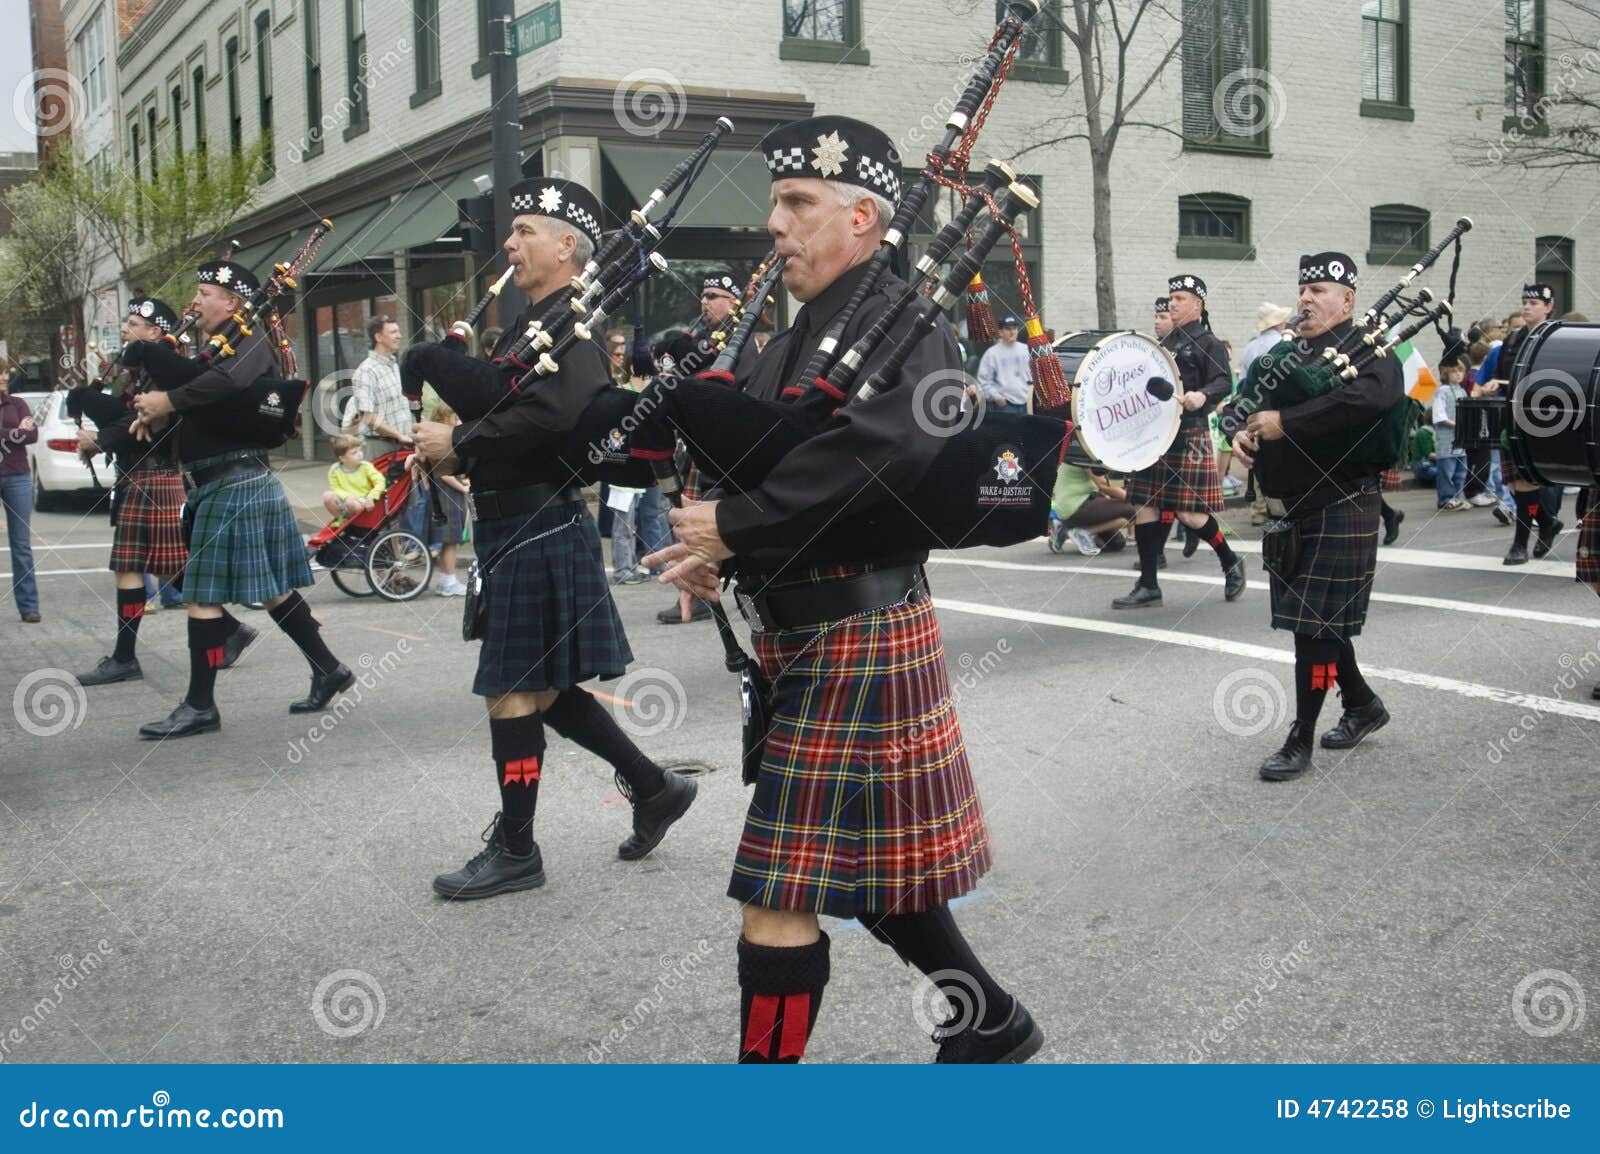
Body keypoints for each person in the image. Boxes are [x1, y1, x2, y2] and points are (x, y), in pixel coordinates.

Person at [645, 114, 1041, 1064]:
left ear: (863, 217)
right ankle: (990, 1022)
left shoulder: (910, 324)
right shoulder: (796, 338)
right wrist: (726, 550)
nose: (774, 224)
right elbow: (781, 462)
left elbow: (885, 455)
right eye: (776, 203)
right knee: (868, 873)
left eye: (797, 203)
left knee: (778, 894)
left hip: (860, 630)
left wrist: (740, 525)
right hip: (800, 634)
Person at [407, 175, 697, 901]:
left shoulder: (577, 329)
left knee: (510, 690)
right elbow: (511, 406)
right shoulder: (533, 324)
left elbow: (553, 420)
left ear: (567, 246)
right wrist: (451, 439)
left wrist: (459, 443)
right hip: (515, 524)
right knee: (550, 692)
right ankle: (654, 787)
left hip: (538, 522)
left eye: (525, 230)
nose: (509, 242)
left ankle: (517, 849)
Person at [128, 259, 356, 738]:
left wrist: (168, 400)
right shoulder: (217, 349)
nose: (195, 301)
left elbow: (225, 386)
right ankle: (328, 668)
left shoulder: (248, 342)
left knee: (203, 596)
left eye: (204, 292)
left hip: (235, 483)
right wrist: (161, 415)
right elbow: (211, 402)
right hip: (229, 483)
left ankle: (200, 705)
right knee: (274, 591)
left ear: (231, 302)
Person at [1231, 251, 1397, 782]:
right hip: (1290, 507)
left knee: (1315, 630)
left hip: (1342, 500)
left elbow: (1368, 400)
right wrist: (1238, 433)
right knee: (1318, 624)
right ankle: (1363, 705)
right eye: (1303, 288)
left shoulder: (1370, 348)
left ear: (1347, 300)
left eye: (1320, 290)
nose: (1306, 297)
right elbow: (1243, 404)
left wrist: (1288, 421)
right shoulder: (1286, 353)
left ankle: (1300, 736)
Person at [75, 297, 256, 686]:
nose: (126, 329)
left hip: (156, 477)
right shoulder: (142, 370)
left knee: (141, 567)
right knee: (160, 566)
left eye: (134, 323)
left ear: (155, 332)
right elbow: (126, 415)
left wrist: (99, 439)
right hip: (143, 478)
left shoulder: (165, 371)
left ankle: (128, 658)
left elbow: (139, 424)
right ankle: (229, 629)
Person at [1113, 274, 1246, 609]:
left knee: (1189, 513)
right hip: (1157, 434)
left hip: (1189, 433)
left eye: (1180, 298)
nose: (1172, 303)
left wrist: (1202, 395)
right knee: (1144, 505)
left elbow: (1223, 382)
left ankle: (1230, 561)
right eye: (1171, 298)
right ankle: (1148, 585)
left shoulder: (1208, 343)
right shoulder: (1165, 342)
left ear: (1197, 305)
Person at [654, 270, 746, 627]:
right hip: (693, 441)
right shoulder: (701, 341)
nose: (704, 302)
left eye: (713, 296)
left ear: (733, 302)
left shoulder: (739, 339)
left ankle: (700, 592)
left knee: (704, 517)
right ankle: (692, 591)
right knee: (685, 515)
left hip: (720, 442)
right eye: (703, 296)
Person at [1483, 284, 1563, 564]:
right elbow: (1500, 374)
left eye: (1534, 303)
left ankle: (1520, 544)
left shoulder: (1555, 338)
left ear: (1548, 307)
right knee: (1516, 485)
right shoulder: (1513, 338)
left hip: (1539, 420)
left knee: (1526, 483)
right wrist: (1493, 384)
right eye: (1524, 302)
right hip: (1512, 418)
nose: (1527, 307)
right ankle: (1547, 522)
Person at [352, 315, 426, 543]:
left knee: (401, 505)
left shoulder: (396, 366)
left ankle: (399, 559)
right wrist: (399, 435)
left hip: (404, 447)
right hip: (381, 448)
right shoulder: (366, 371)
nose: (399, 335)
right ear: (378, 337)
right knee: (383, 506)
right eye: (393, 332)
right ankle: (387, 561)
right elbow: (367, 417)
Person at [0, 360, 41, 623]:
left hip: (17, 476)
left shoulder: (18, 404)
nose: (4, 377)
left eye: (5, 372)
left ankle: (29, 606)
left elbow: (32, 434)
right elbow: (21, 433)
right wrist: (15, 432)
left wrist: (7, 433)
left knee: (21, 545)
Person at [426, 402, 469, 596]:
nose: (458, 422)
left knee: (446, 540)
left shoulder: (435, 440)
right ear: (444, 419)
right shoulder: (443, 442)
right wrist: (463, 487)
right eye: (455, 418)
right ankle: (449, 581)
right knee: (450, 539)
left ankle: (445, 580)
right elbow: (444, 473)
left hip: (444, 493)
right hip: (447, 494)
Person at [1048, 464, 1134, 556]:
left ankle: (1065, 530)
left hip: (1075, 506)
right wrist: (1133, 498)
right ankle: (1084, 532)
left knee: (1117, 544)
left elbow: (1108, 483)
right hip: (1076, 504)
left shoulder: (1090, 458)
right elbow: (1103, 485)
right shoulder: (1084, 456)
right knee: (1132, 510)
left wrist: (1124, 486)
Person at [321, 434, 386, 525]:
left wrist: (371, 496)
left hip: (362, 500)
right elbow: (335, 488)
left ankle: (355, 523)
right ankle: (341, 519)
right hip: (345, 499)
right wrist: (347, 497)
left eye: (360, 450)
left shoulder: (366, 466)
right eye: (354, 452)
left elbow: (380, 481)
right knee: (327, 496)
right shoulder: (334, 469)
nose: (360, 454)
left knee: (352, 504)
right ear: (343, 458)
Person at [973, 315, 1032, 413]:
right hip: (1005, 405)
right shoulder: (992, 354)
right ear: (1000, 332)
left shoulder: (1026, 350)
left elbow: (1033, 376)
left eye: (1014, 328)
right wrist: (996, 397)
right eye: (1008, 329)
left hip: (1027, 403)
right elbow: (983, 381)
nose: (1012, 332)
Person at [1431, 358, 1469, 510]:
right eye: (1454, 371)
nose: (1458, 374)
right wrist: (1458, 425)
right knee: (1447, 471)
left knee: (1460, 472)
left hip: (1461, 439)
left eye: (1460, 371)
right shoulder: (1442, 391)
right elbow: (1439, 415)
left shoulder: (1462, 391)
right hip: (1447, 440)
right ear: (1446, 374)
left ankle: (1457, 498)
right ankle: (1446, 499)